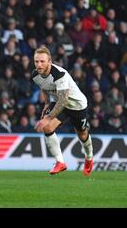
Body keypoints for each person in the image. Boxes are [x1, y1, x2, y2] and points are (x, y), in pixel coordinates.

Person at [32, 46, 93, 176]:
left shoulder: (59, 74)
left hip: (76, 105)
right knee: (47, 128)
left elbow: (64, 101)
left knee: (82, 134)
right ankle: (60, 162)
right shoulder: (35, 75)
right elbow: (43, 86)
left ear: (50, 61)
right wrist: (47, 103)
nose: (39, 64)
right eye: (36, 61)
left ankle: (89, 157)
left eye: (42, 61)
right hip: (59, 102)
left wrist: (48, 117)